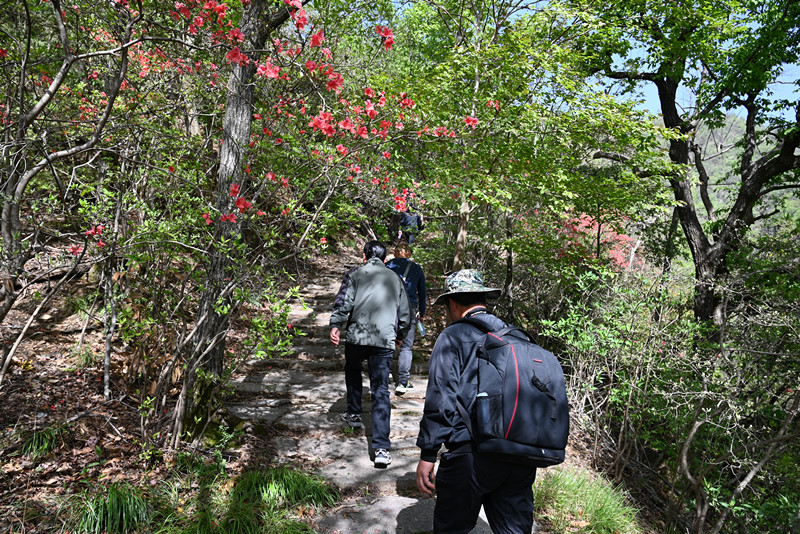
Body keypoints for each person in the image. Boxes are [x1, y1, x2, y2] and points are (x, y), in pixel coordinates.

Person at [415, 269, 538, 534]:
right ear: (483, 298)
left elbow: (441, 398)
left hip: (470, 456)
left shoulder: (452, 336)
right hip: (519, 453)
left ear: (453, 303)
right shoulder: (516, 336)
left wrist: (428, 453)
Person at [330, 240, 412, 468]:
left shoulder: (354, 274)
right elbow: (405, 313)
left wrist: (336, 326)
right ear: (385, 259)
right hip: (384, 340)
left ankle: (354, 413)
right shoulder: (395, 279)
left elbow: (343, 303)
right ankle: (382, 449)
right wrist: (400, 334)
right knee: (380, 391)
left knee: (353, 369)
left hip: (357, 337)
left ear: (365, 256)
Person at [385, 242, 427, 395]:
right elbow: (422, 294)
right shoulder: (416, 268)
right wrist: (422, 313)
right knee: (407, 346)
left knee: (387, 340)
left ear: (395, 253)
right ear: (409, 253)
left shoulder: (387, 266)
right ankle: (403, 382)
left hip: (388, 307)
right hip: (410, 309)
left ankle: (386, 374)